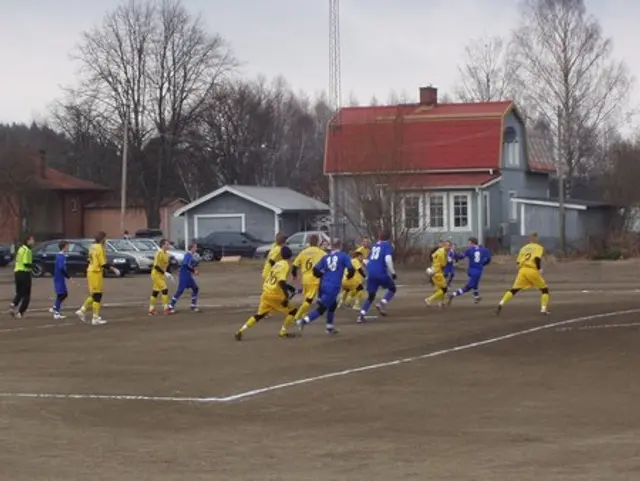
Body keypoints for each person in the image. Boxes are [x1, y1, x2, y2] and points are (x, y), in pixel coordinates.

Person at [235, 246, 299, 340]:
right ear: (291, 256)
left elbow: (277, 279)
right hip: (275, 295)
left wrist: (289, 287)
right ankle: (283, 332)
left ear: (281, 255)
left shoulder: (277, 264)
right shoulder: (285, 265)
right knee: (293, 311)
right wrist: (286, 296)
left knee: (259, 315)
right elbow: (281, 281)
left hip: (266, 292)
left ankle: (241, 330)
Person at [296, 238, 355, 335]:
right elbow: (351, 269)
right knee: (322, 309)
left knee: (333, 305)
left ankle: (329, 327)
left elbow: (315, 270)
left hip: (323, 284)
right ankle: (303, 321)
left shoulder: (326, 257)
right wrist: (349, 276)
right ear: (340, 246)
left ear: (331, 246)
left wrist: (321, 275)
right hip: (333, 285)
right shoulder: (343, 256)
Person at [496, 232, 550, 315]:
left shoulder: (523, 248)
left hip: (522, 270)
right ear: (536, 238)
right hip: (532, 270)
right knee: (544, 289)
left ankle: (501, 303)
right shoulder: (538, 247)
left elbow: (518, 262)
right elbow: (536, 259)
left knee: (514, 290)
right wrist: (539, 268)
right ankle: (543, 309)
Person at [76, 232, 121, 325]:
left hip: (91, 271)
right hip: (95, 272)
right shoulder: (99, 248)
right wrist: (114, 269)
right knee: (97, 295)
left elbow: (89, 259)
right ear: (102, 239)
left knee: (95, 294)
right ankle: (94, 317)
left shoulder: (92, 246)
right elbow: (103, 263)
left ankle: (83, 310)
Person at [356, 231, 396, 323]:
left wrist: (368, 266)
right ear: (389, 238)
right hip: (381, 273)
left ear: (379, 238)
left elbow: (367, 261)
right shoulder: (386, 245)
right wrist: (393, 272)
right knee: (392, 289)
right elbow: (388, 259)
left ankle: (361, 315)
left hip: (371, 274)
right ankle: (382, 303)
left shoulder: (374, 247)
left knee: (371, 296)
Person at [291, 234, 325, 322]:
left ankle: (303, 313)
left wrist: (294, 275)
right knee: (309, 300)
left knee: (307, 298)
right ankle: (297, 316)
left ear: (309, 242)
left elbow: (294, 265)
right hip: (315, 278)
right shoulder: (321, 252)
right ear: (318, 242)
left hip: (305, 278)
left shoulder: (303, 252)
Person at [447, 237, 491, 305]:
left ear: (471, 242)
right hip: (477, 271)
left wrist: (453, 254)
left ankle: (476, 297)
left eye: (469, 243)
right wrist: (482, 264)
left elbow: (461, 256)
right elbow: (488, 259)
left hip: (470, 270)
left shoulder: (469, 250)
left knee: (475, 283)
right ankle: (453, 295)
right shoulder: (484, 249)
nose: (469, 244)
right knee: (468, 287)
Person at [167, 242, 200, 313]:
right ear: (192, 248)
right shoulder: (188, 255)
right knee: (180, 290)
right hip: (184, 276)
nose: (196, 248)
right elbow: (185, 265)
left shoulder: (191, 255)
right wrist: (194, 271)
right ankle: (170, 307)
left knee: (195, 288)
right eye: (195, 247)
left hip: (188, 276)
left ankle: (193, 306)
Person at [10, 235, 35, 319]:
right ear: (27, 241)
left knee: (19, 292)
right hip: (25, 273)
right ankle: (20, 312)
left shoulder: (20, 249)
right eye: (32, 240)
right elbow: (26, 263)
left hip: (17, 272)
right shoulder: (27, 250)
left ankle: (14, 304)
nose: (33, 241)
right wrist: (34, 266)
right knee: (27, 295)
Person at [148, 238, 174, 315]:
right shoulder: (159, 253)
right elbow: (156, 266)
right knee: (165, 289)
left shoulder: (167, 254)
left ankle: (151, 309)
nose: (168, 245)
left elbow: (164, 266)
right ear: (162, 245)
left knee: (155, 292)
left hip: (160, 275)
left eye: (168, 244)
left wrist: (168, 274)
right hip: (156, 274)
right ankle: (166, 309)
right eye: (167, 244)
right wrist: (165, 273)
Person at [425, 240, 450, 307]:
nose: (449, 247)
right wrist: (447, 259)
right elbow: (443, 264)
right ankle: (429, 299)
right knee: (444, 289)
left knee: (441, 289)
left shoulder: (438, 250)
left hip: (434, 271)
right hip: (438, 273)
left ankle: (440, 302)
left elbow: (432, 256)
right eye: (448, 246)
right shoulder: (442, 252)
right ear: (444, 245)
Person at [52, 240, 70, 320]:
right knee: (61, 294)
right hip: (59, 278)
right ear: (64, 247)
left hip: (59, 277)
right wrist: (68, 276)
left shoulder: (61, 256)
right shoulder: (61, 256)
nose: (68, 248)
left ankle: (56, 307)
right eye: (67, 246)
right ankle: (56, 311)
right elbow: (61, 267)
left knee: (63, 294)